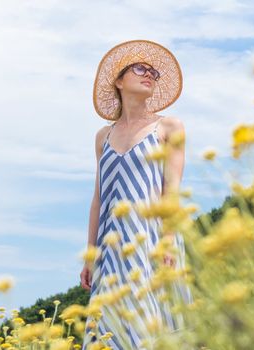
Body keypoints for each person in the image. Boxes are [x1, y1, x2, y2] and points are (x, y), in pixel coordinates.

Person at [79, 39, 193, 350]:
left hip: (151, 238)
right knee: (107, 329)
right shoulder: (103, 136)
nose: (150, 74)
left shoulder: (169, 127)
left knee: (151, 325)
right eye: (140, 68)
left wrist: (168, 240)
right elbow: (98, 199)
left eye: (154, 71)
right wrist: (90, 254)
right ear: (119, 80)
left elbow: (172, 190)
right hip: (111, 246)